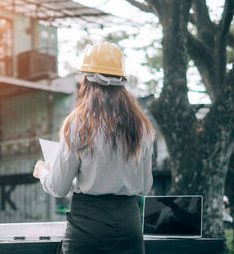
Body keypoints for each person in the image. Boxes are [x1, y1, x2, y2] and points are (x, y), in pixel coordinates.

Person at [33, 42, 155, 254]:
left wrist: (44, 172)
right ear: (121, 82)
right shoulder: (142, 126)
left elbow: (59, 187)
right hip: (129, 228)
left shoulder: (78, 124)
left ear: (86, 80)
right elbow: (144, 187)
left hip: (88, 229)